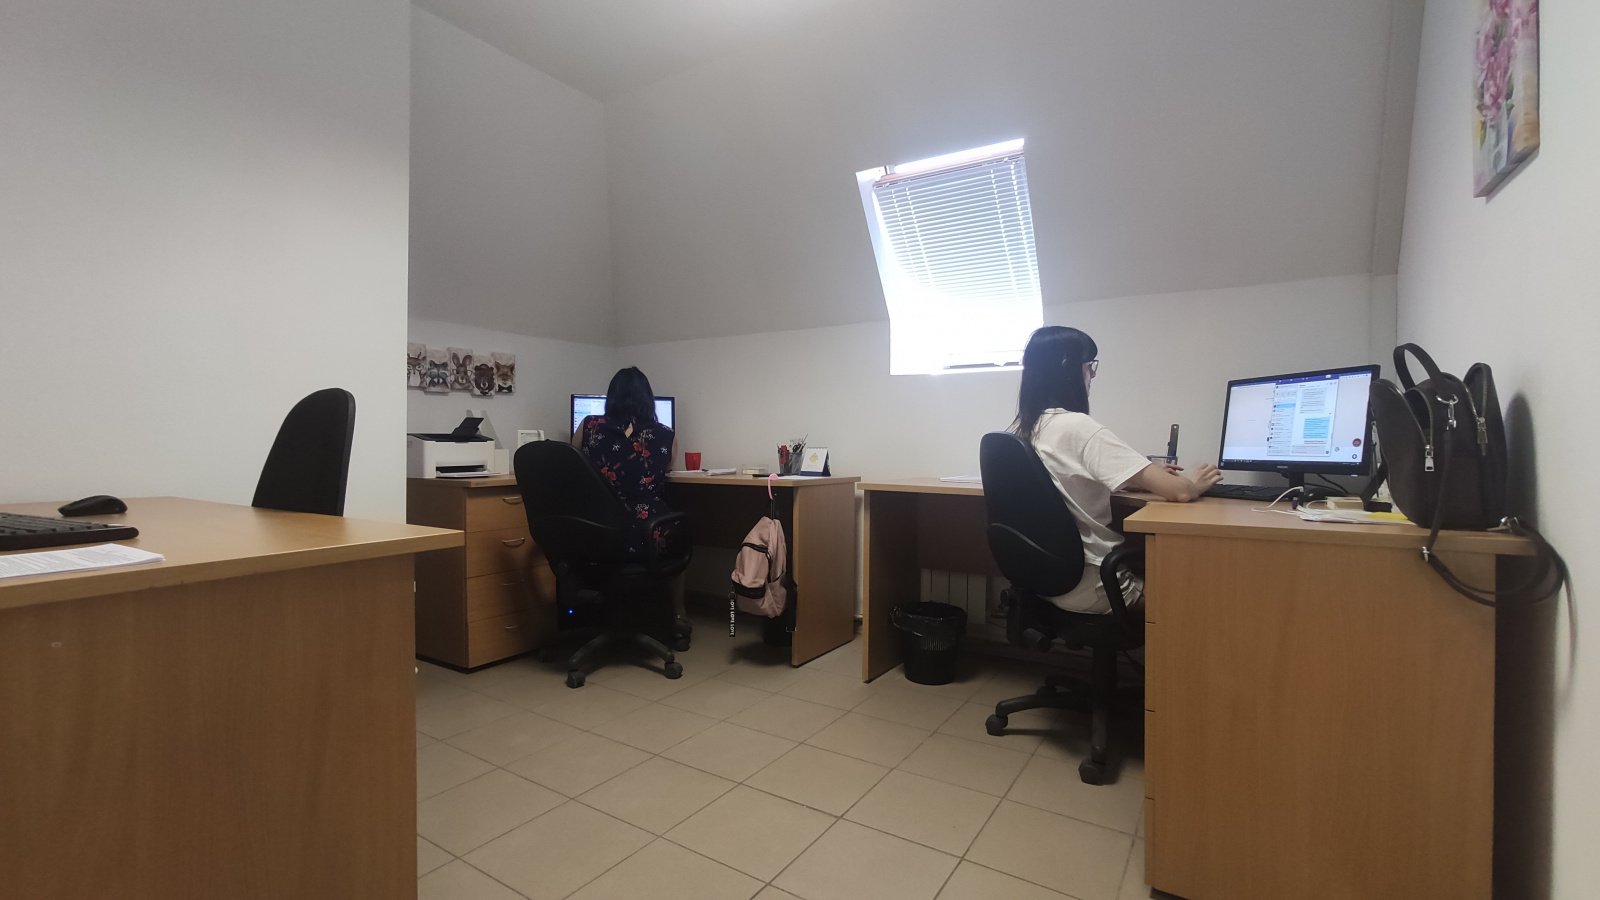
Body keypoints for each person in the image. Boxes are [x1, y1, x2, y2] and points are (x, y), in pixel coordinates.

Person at [1010, 325, 1222, 613]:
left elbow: (1066, 482)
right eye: (1089, 365)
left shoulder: (1027, 429)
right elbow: (1180, 492)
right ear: (1068, 368)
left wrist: (1132, 477)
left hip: (1046, 583)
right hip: (1097, 587)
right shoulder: (1077, 426)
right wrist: (1194, 483)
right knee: (1202, 597)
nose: (1092, 374)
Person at [572, 367, 679, 559]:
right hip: (648, 532)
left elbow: (575, 465)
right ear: (648, 400)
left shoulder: (589, 426)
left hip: (598, 529)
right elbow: (667, 468)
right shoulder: (666, 434)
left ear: (611, 398)